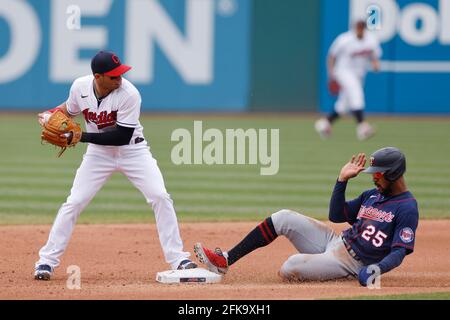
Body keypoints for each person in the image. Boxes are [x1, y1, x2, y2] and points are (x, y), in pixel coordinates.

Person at [34, 51, 197, 280]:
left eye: (120, 75)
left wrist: (80, 137)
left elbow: (121, 136)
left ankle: (178, 258)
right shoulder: (80, 87)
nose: (119, 80)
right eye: (113, 76)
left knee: (160, 196)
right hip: (98, 156)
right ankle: (46, 262)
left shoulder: (129, 94)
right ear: (97, 76)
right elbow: (68, 109)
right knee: (75, 202)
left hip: (133, 151)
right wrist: (51, 113)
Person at [194, 147, 418, 286]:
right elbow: (337, 215)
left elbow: (399, 252)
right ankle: (225, 260)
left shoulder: (407, 207)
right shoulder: (372, 195)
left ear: (394, 173)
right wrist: (342, 181)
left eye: (377, 173)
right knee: (283, 217)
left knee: (290, 267)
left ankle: (342, 275)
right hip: (335, 241)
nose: (373, 178)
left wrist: (374, 270)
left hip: (352, 263)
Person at [315, 20, 382, 141]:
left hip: (359, 74)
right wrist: (331, 75)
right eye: (358, 27)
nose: (360, 29)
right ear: (354, 28)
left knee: (343, 105)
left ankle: (324, 123)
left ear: (365, 28)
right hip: (342, 71)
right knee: (356, 93)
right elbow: (331, 56)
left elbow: (374, 56)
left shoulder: (371, 40)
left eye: (362, 27)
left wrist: (375, 64)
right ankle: (362, 127)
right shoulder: (344, 39)